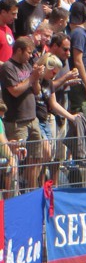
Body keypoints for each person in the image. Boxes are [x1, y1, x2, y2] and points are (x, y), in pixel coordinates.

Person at [0, 37, 45, 190]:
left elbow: (37, 91)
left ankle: (31, 191)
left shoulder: (27, 64)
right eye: (28, 52)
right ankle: (13, 194)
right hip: (17, 121)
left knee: (38, 157)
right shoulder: (8, 67)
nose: (30, 56)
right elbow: (15, 91)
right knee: (14, 160)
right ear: (19, 50)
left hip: (32, 118)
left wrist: (36, 78)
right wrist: (32, 78)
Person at [35, 53, 78, 185]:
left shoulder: (49, 83)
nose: (54, 75)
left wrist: (71, 116)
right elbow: (36, 91)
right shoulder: (35, 81)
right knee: (45, 153)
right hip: (36, 120)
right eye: (52, 72)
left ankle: (42, 185)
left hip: (46, 120)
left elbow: (54, 104)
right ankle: (33, 182)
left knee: (49, 155)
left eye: (56, 73)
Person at [0, 0, 17, 66]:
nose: (16, 17)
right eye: (13, 14)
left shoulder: (8, 29)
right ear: (3, 12)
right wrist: (6, 67)